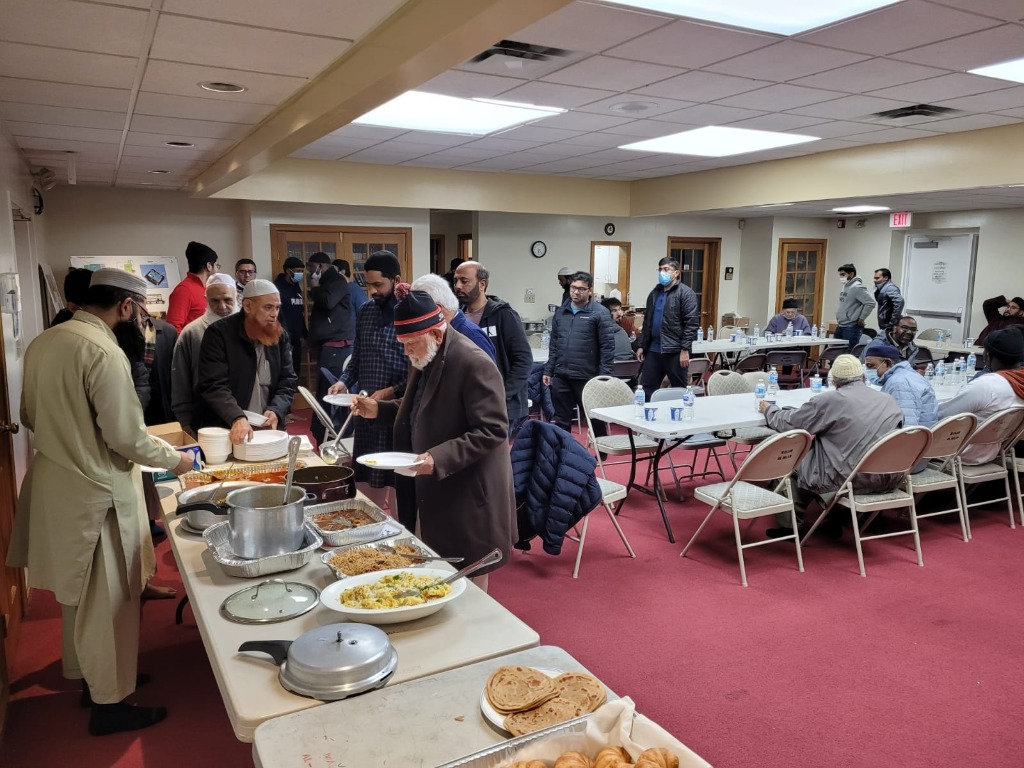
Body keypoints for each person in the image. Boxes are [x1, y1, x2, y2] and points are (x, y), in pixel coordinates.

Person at [8, 268, 195, 736]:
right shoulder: (102, 351)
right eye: (141, 313)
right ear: (126, 307)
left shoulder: (45, 341)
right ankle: (109, 704)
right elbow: (126, 437)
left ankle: (93, 680)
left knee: (79, 595)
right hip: (97, 493)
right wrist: (179, 461)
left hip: (57, 484)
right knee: (106, 602)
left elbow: (27, 414)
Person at [349, 290, 515, 592]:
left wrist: (438, 458)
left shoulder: (472, 361)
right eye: (403, 345)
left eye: (411, 344)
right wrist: (380, 409)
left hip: (468, 486)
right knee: (439, 564)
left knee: (470, 569)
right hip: (435, 483)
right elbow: (418, 408)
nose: (407, 352)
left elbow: (493, 429)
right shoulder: (424, 355)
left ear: (437, 333)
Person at [758, 354, 904, 538]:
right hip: (886, 477)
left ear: (834, 381)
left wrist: (769, 410)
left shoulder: (831, 399)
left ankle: (790, 528)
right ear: (864, 377)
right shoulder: (888, 400)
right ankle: (837, 517)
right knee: (841, 454)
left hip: (847, 480)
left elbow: (790, 424)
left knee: (788, 463)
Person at [327, 250, 409, 510]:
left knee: (397, 477)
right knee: (366, 472)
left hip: (397, 409)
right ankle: (369, 523)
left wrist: (390, 391)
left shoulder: (409, 313)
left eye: (378, 285)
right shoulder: (366, 312)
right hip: (366, 407)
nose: (372, 290)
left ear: (396, 280)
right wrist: (343, 381)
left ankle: (399, 532)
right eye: (368, 284)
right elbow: (358, 357)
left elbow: (418, 369)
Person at [195, 279, 297, 445]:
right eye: (268, 307)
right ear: (248, 306)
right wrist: (236, 417)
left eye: (277, 307)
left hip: (268, 427)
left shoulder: (279, 335)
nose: (274, 314)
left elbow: (288, 381)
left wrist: (276, 410)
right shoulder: (219, 334)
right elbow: (213, 385)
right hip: (229, 427)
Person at [453, 261, 533, 435]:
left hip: (500, 405)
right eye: (455, 281)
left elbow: (524, 360)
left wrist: (501, 394)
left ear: (482, 284)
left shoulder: (503, 315)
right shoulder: (456, 317)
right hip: (467, 402)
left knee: (494, 459)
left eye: (464, 281)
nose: (458, 286)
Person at [937, 329, 1024, 465]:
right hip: (993, 452)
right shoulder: (1020, 381)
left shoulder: (987, 385)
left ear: (987, 356)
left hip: (960, 453)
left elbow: (943, 416)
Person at [543, 271, 615, 435]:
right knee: (561, 420)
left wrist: (604, 376)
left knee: (594, 418)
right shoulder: (561, 312)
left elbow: (607, 347)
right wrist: (549, 369)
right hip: (561, 375)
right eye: (573, 288)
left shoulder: (600, 312)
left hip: (587, 376)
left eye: (581, 289)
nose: (576, 292)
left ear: (590, 290)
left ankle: (601, 454)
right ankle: (562, 454)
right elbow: (554, 343)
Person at [170, 273, 236, 430]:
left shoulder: (248, 330)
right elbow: (180, 379)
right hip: (205, 418)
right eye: (215, 301)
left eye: (227, 300)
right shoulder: (192, 333)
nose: (222, 306)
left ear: (236, 297)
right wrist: (184, 421)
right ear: (206, 300)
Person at [306, 252, 354, 445]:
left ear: (318, 266)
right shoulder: (330, 281)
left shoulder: (337, 281)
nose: (309, 273)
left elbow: (327, 301)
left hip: (337, 346)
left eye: (311, 268)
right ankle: (323, 435)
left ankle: (330, 436)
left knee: (329, 393)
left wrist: (315, 288)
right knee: (324, 392)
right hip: (328, 345)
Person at [637, 256, 699, 395]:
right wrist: (642, 345)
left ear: (676, 273)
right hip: (653, 350)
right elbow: (647, 321)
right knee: (646, 389)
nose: (662, 273)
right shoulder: (654, 293)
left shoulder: (686, 293)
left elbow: (691, 324)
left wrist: (685, 349)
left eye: (666, 269)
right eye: (660, 269)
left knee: (679, 390)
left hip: (675, 351)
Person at [411, 273, 495, 360]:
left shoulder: (472, 337)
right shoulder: (441, 333)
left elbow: (489, 372)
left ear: (438, 309)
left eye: (419, 312)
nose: (417, 319)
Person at [865, 344, 938, 429]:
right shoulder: (906, 375)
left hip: (914, 439)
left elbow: (907, 428)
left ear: (887, 363)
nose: (868, 371)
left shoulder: (900, 384)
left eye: (870, 366)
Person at [167, 241, 218, 332]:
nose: (217, 270)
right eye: (217, 265)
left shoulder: (208, 288)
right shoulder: (184, 290)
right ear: (209, 266)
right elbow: (173, 328)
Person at [274, 256, 307, 383]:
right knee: (285, 371)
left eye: (302, 271)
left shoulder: (297, 288)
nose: (301, 274)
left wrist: (305, 334)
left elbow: (300, 313)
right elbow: (277, 314)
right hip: (282, 338)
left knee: (296, 370)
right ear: (288, 271)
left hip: (297, 339)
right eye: (298, 270)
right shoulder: (277, 288)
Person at [834, 263, 876, 350]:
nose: (841, 277)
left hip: (851, 327)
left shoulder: (857, 287)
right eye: (840, 275)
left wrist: (861, 318)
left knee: (847, 355)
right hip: (841, 325)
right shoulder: (845, 286)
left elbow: (870, 303)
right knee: (835, 353)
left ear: (851, 274)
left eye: (843, 274)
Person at [333, 258, 368, 325]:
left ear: (342, 272)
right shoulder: (335, 289)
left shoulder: (355, 290)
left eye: (333, 271)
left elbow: (364, 313)